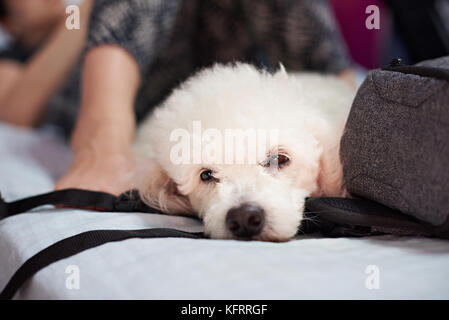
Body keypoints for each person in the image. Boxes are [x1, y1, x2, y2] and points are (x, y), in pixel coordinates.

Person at [1, 0, 355, 196]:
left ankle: (352, 106)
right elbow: (15, 110)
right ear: (10, 23)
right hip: (144, 98)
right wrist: (80, 17)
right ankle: (102, 133)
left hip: (228, 80)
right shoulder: (17, 52)